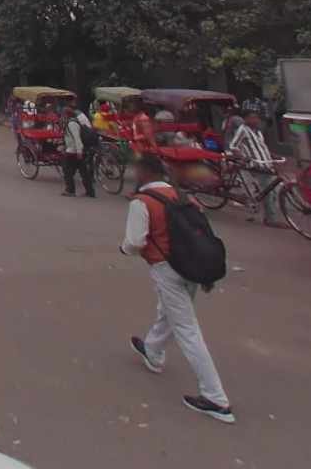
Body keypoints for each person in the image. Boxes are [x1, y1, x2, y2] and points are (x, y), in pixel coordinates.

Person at [120, 154, 234, 424]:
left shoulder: (142, 202)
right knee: (170, 312)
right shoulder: (181, 196)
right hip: (191, 265)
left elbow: (135, 242)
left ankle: (215, 398)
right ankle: (153, 350)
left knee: (187, 329)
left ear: (144, 173)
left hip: (166, 268)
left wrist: (124, 248)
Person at [230, 111, 282, 227]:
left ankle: (268, 213)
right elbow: (233, 146)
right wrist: (243, 157)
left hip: (266, 164)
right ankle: (270, 219)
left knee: (274, 190)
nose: (255, 120)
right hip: (256, 165)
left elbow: (262, 147)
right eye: (252, 118)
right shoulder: (243, 130)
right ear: (246, 119)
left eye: (256, 118)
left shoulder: (258, 131)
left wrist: (273, 155)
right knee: (268, 191)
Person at [62, 98, 96, 198]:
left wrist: (79, 151)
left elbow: (77, 139)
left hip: (73, 152)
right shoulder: (73, 122)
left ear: (67, 115)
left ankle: (70, 190)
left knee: (67, 171)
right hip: (77, 151)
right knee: (84, 172)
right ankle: (90, 191)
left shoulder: (72, 124)